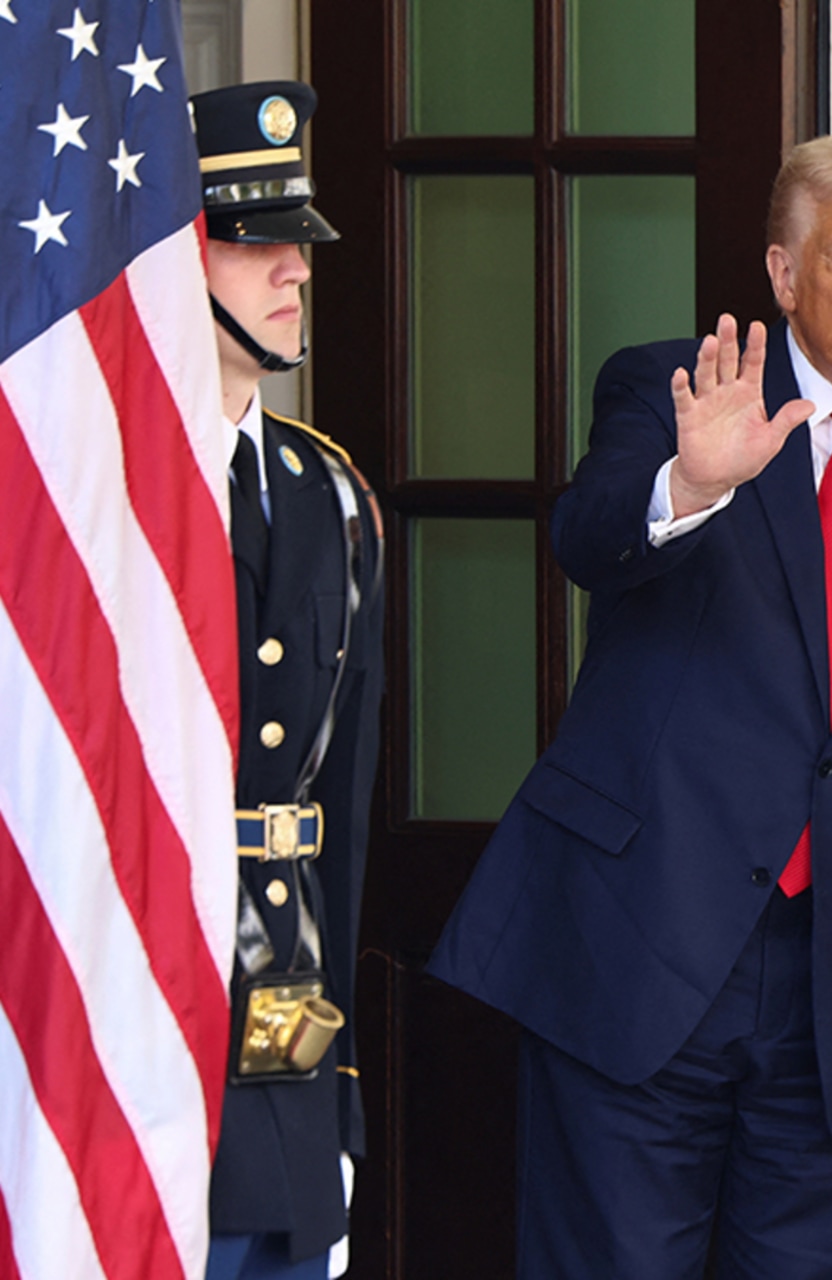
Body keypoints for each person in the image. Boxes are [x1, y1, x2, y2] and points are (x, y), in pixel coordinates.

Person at [429, 134, 832, 1279]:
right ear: (780, 271)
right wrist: (692, 483)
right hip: (642, 945)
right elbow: (589, 539)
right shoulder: (674, 388)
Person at [192, 81, 385, 1280]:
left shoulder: (330, 493)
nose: (292, 271)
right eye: (252, 242)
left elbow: (345, 813)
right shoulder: (85, 494)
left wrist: (346, 1093)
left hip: (284, 1010)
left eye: (296, 244)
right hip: (134, 1005)